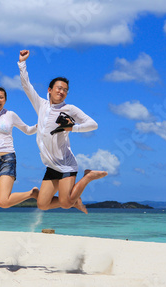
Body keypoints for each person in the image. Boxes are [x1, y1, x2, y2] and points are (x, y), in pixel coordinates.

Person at [18, 49, 107, 213]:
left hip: (66, 164)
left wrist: (72, 128)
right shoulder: (41, 105)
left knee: (66, 203)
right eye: (59, 88)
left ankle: (87, 177)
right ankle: (74, 198)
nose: (62, 91)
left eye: (65, 89)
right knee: (42, 205)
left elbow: (93, 124)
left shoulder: (69, 109)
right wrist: (22, 63)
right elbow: (26, 86)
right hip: (51, 166)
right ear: (50, 90)